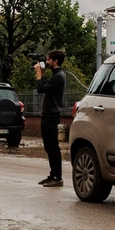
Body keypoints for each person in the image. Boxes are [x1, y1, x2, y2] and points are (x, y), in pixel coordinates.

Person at [35, 49, 67, 187]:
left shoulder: (59, 76)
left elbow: (40, 89)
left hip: (52, 115)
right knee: (49, 146)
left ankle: (57, 177)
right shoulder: (55, 75)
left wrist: (38, 75)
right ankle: (52, 174)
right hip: (48, 114)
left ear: (55, 61)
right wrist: (41, 74)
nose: (46, 61)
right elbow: (43, 86)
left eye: (48, 59)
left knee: (53, 147)